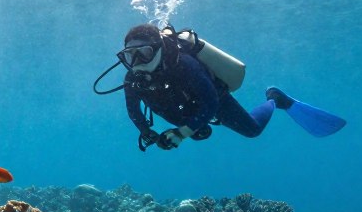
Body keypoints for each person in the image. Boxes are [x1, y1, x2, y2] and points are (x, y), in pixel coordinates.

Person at [100, 23, 344, 151]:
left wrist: (182, 133)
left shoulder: (184, 64)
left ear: (159, 49)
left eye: (143, 53)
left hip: (212, 102)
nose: (136, 63)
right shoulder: (133, 78)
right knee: (198, 131)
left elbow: (211, 103)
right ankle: (195, 128)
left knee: (252, 130)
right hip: (183, 112)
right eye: (128, 56)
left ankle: (275, 99)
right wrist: (147, 133)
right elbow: (133, 111)